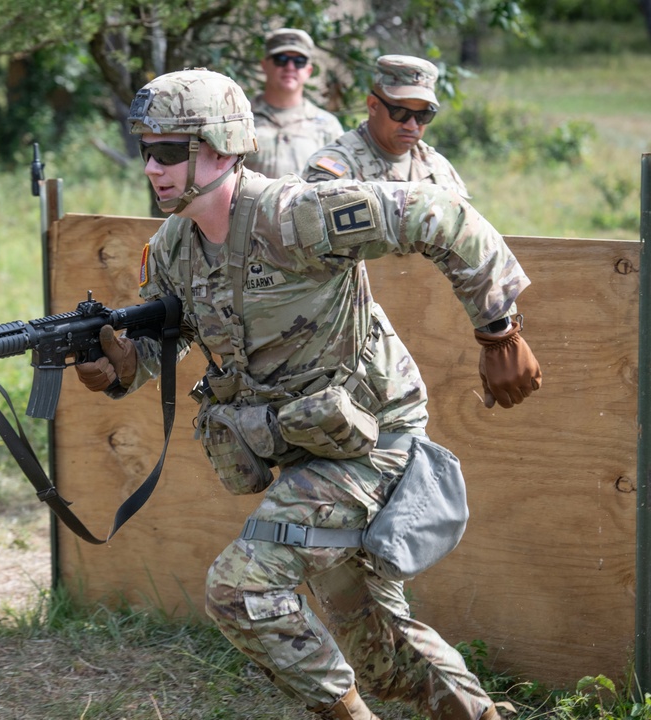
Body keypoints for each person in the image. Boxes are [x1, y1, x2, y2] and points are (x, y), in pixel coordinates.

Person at [74, 68, 541, 719]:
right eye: (147, 151)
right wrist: (121, 365)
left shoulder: (299, 217)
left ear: (222, 147)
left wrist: (498, 333)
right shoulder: (175, 247)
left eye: (170, 152)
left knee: (240, 590)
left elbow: (444, 216)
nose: (153, 168)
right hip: (304, 448)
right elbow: (168, 340)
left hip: (370, 439)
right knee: (377, 641)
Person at [303, 54, 469, 197]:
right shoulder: (335, 171)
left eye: (423, 116)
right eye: (400, 113)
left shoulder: (438, 168)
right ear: (373, 105)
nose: (411, 125)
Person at [243, 28, 344, 179]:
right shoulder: (241, 118)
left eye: (299, 62)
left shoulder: (327, 126)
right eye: (281, 59)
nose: (290, 67)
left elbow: (338, 183)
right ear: (264, 65)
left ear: (308, 71)